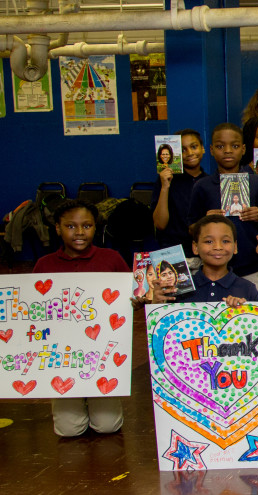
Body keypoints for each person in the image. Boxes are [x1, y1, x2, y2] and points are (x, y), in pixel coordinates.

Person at [33, 199, 130, 437]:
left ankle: (95, 401)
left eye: (86, 226)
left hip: (103, 351)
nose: (79, 232)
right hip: (62, 354)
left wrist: (140, 299)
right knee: (69, 430)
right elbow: (33, 312)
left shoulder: (112, 259)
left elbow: (128, 301)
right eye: (70, 226)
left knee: (108, 426)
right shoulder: (44, 265)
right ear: (57, 228)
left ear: (95, 227)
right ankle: (74, 401)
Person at [187, 123, 258, 300]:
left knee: (252, 318)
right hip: (215, 270)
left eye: (234, 146)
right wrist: (206, 220)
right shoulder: (202, 186)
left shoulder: (257, 183)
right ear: (211, 150)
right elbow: (191, 228)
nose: (227, 151)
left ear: (243, 149)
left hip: (253, 268)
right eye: (220, 146)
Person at [153, 129, 208, 260]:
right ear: (176, 153)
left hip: (203, 253)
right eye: (183, 150)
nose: (189, 153)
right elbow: (160, 224)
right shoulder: (166, 181)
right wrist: (165, 187)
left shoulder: (209, 181)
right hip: (174, 251)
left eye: (194, 147)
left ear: (203, 149)